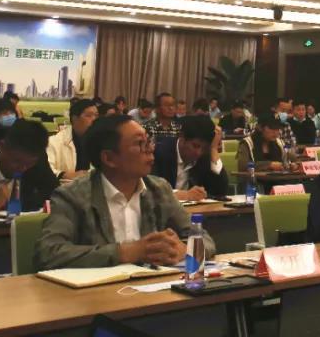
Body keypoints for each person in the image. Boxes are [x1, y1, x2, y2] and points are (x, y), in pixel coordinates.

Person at [35, 115, 215, 269]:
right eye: (139, 143)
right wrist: (125, 252)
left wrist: (184, 250)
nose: (150, 149)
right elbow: (48, 253)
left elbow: (205, 239)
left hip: (152, 290)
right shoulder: (72, 196)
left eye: (148, 141)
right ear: (109, 158)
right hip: (97, 295)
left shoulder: (159, 189)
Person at [152, 115, 227, 200]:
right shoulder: (159, 153)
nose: (199, 153)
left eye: (204, 148)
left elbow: (220, 192)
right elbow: (150, 190)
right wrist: (182, 195)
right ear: (182, 138)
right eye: (195, 146)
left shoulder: (204, 156)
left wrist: (213, 149)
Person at [47, 99, 99, 180]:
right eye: (89, 115)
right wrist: (64, 175)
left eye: (96, 115)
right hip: (65, 185)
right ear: (75, 118)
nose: (94, 119)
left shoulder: (100, 141)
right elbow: (46, 170)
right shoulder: (54, 142)